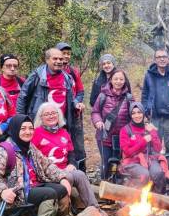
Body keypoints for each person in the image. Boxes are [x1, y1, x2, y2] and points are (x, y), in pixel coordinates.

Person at [17, 48, 86, 170]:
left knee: (61, 149)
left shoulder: (66, 77)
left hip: (61, 122)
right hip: (41, 121)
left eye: (60, 59)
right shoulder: (37, 76)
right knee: (40, 151)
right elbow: (23, 96)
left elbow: (70, 98)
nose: (59, 61)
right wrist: (21, 120)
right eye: (55, 58)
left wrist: (76, 104)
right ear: (47, 60)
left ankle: (63, 176)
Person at [92, 69, 133, 179]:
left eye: (121, 79)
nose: (118, 81)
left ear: (125, 81)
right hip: (105, 136)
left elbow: (133, 115)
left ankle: (118, 188)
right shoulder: (102, 95)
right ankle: (104, 185)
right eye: (116, 79)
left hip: (122, 137)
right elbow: (95, 111)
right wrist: (98, 121)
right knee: (106, 163)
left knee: (120, 163)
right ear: (110, 80)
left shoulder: (129, 97)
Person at [119, 102, 168, 193]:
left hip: (149, 158)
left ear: (143, 113)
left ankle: (158, 199)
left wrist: (152, 132)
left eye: (139, 112)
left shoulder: (148, 127)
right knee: (144, 174)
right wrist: (143, 141)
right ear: (130, 115)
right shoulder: (125, 130)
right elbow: (128, 152)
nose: (137, 115)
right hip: (132, 161)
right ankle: (135, 199)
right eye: (133, 113)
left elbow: (158, 148)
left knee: (158, 173)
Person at [141, 49, 169, 159]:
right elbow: (145, 94)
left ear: (168, 59)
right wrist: (145, 110)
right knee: (154, 145)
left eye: (164, 57)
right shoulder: (149, 75)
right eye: (159, 57)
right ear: (155, 60)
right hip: (154, 116)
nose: (162, 59)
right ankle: (155, 171)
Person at [56, 42, 88, 172]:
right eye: (63, 53)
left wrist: (77, 102)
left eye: (68, 54)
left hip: (74, 114)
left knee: (78, 144)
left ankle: (81, 173)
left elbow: (80, 91)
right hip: (58, 115)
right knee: (61, 142)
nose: (66, 56)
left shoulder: (74, 72)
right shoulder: (50, 72)